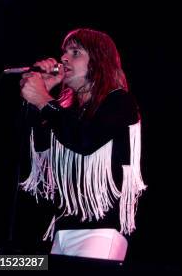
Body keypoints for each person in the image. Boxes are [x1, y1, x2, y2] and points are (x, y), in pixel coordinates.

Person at [19, 28, 146, 261]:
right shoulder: (67, 112)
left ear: (98, 62)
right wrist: (40, 98)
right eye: (64, 53)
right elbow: (40, 148)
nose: (64, 59)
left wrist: (45, 101)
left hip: (100, 232)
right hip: (62, 232)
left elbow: (85, 140)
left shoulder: (119, 102)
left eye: (75, 52)